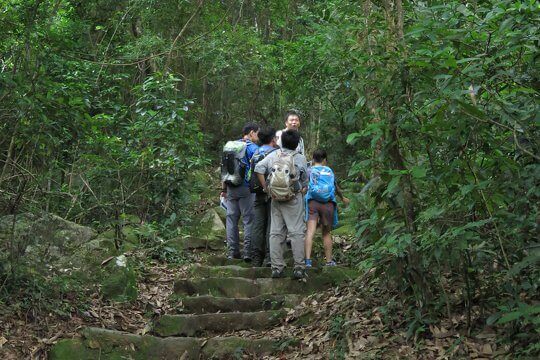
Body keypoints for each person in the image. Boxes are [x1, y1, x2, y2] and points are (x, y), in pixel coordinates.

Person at [254, 130, 308, 279]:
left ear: (281, 141)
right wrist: (302, 190)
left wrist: (266, 188)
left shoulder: (273, 155)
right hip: (293, 198)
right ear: (297, 143)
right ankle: (299, 268)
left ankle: (277, 268)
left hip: (276, 198)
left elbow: (258, 168)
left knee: (276, 232)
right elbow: (305, 181)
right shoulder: (300, 158)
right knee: (296, 231)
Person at [220, 123, 259, 261]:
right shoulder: (253, 148)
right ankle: (247, 252)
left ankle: (232, 252)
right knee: (248, 220)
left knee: (231, 220)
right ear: (252, 133)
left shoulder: (230, 146)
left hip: (230, 186)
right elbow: (257, 169)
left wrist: (223, 188)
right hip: (246, 188)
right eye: (257, 134)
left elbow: (223, 169)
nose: (258, 137)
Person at [304, 149, 349, 267]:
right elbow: (336, 187)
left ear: (313, 159)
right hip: (328, 204)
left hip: (313, 202)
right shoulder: (329, 171)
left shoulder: (309, 170)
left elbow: (304, 187)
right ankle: (329, 261)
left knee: (310, 231)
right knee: (326, 233)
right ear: (324, 160)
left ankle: (307, 261)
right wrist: (343, 198)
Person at [248, 127, 278, 267]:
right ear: (273, 139)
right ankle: (269, 257)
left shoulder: (255, 152)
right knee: (272, 225)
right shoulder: (276, 153)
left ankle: (256, 258)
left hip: (257, 193)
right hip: (272, 193)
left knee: (258, 225)